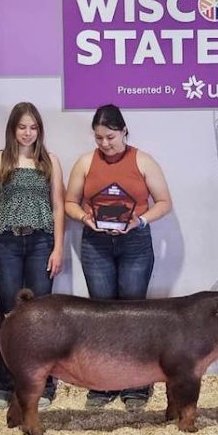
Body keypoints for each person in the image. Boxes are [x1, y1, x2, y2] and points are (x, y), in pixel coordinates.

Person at [65, 104, 172, 412]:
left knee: (132, 312)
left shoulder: (143, 161)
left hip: (135, 242)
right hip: (96, 243)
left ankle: (137, 383)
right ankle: (102, 384)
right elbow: (70, 202)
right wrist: (85, 218)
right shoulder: (85, 162)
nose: (105, 144)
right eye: (98, 138)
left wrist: (141, 221)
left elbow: (164, 202)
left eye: (110, 137)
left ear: (124, 131)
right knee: (101, 314)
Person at [0, 102, 65, 412]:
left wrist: (58, 248)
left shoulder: (49, 161)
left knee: (42, 317)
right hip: (6, 243)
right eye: (22, 127)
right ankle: (3, 385)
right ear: (12, 129)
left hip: (41, 241)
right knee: (10, 315)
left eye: (33, 127)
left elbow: (58, 207)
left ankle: (45, 384)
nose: (28, 133)